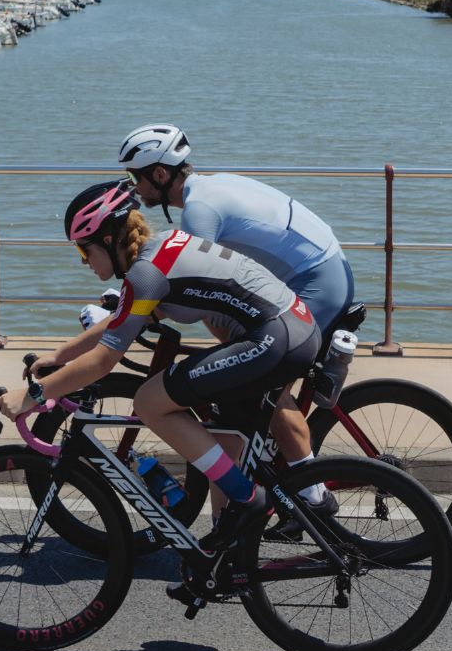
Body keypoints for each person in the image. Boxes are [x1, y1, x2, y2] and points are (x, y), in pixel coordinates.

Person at [0, 181, 321, 590]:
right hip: (291, 329)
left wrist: (34, 395)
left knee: (150, 401)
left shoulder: (147, 273)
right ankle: (226, 555)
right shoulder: (156, 252)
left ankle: (249, 500)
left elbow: (103, 362)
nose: (82, 261)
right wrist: (60, 356)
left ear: (109, 240)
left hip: (274, 339)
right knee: (222, 437)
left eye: (84, 250)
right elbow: (120, 323)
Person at [113, 124, 350, 525]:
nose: (135, 189)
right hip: (322, 271)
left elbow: (184, 279)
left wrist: (132, 311)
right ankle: (267, 476)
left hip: (314, 283)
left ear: (159, 174)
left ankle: (313, 497)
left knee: (259, 385)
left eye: (137, 177)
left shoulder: (199, 211)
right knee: (227, 329)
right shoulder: (207, 187)